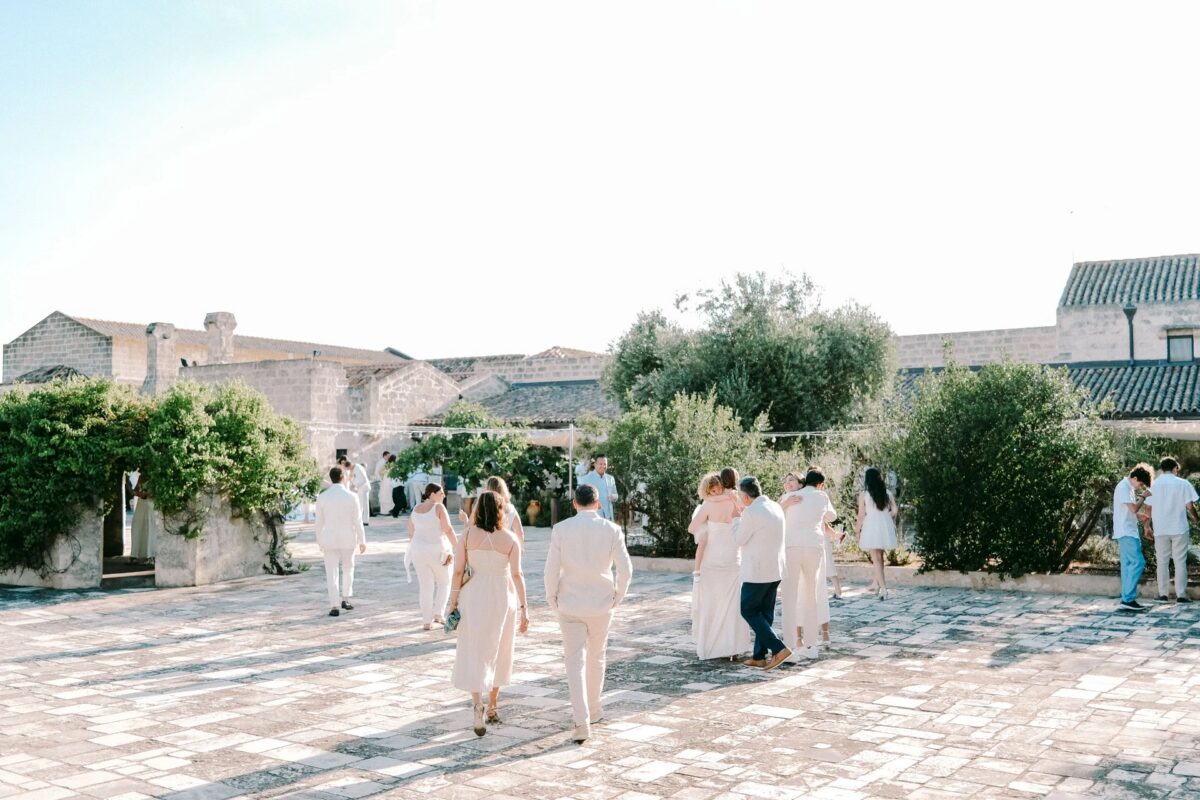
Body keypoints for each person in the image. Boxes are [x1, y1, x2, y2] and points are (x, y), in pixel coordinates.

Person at [545, 483, 633, 743]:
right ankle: (593, 709)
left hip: (570, 603)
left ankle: (582, 719)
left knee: (574, 662)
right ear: (598, 503)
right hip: (601, 603)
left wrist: (552, 598)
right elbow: (626, 569)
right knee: (597, 657)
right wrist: (618, 595)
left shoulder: (561, 529)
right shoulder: (612, 529)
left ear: (575, 504)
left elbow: (551, 569)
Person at [449, 491, 529, 736]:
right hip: (502, 597)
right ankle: (493, 705)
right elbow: (517, 575)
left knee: (474, 648)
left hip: (473, 596)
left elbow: (458, 571)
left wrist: (453, 602)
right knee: (500, 649)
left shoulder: (467, 535)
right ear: (500, 510)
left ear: (478, 509)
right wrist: (525, 608)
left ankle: (477, 705)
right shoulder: (510, 539)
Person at [687, 473, 751, 660]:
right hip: (731, 556)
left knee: (712, 603)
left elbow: (692, 527)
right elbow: (745, 518)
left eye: (716, 490)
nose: (715, 493)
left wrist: (706, 527)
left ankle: (713, 647)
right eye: (711, 491)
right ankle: (732, 647)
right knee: (732, 604)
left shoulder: (708, 505)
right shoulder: (734, 500)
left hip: (713, 558)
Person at [731, 476, 790, 669]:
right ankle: (759, 656)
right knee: (765, 613)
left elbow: (739, 539)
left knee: (747, 609)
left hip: (757, 570)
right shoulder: (775, 506)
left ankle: (779, 648)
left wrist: (735, 520)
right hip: (776, 568)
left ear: (746, 497)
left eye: (740, 496)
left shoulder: (750, 512)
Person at [779, 470, 834, 660]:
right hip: (813, 546)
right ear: (820, 484)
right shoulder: (822, 496)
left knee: (789, 597)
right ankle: (811, 646)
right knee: (811, 595)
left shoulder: (790, 496)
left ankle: (790, 646)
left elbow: (777, 515)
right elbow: (831, 517)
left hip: (791, 546)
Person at [315, 466, 367, 617]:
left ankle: (334, 605)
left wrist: (319, 540)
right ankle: (346, 598)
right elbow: (357, 521)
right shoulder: (352, 496)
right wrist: (362, 540)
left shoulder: (323, 497)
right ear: (343, 477)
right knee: (348, 568)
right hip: (347, 537)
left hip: (329, 538)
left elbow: (319, 522)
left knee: (332, 572)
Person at [1145, 457, 1198, 603]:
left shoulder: (1153, 485)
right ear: (1175, 468)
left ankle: (1163, 594)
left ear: (1162, 469)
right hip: (1179, 528)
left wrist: (1146, 525)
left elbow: (1148, 508)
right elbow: (1190, 506)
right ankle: (1181, 595)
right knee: (1180, 561)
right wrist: (1197, 519)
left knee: (1162, 561)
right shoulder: (1183, 484)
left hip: (1161, 529)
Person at [408, 483, 458, 629]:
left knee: (425, 586)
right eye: (441, 493)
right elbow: (448, 529)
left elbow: (410, 531)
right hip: (437, 551)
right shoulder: (439, 508)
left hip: (418, 551)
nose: (443, 495)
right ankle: (438, 613)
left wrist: (418, 544)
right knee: (444, 582)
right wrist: (457, 546)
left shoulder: (416, 508)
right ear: (432, 493)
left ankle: (426, 621)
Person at [1113, 463, 1153, 612]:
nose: (1140, 486)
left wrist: (1138, 515)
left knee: (1128, 566)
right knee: (1138, 562)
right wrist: (1143, 496)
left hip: (1126, 530)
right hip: (1126, 532)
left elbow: (1129, 510)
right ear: (1135, 477)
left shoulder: (1126, 487)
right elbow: (1134, 507)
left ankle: (1126, 599)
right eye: (1141, 483)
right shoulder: (1124, 487)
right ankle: (1128, 599)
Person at [857, 467, 898, 600]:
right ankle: (878, 585)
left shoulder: (864, 494)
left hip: (871, 525)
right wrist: (885, 517)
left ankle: (884, 589)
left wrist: (857, 530)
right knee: (880, 557)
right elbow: (895, 510)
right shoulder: (887, 493)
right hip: (883, 525)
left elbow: (861, 515)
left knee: (876, 559)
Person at [579, 454, 619, 521]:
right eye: (600, 464)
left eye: (605, 464)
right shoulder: (587, 479)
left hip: (608, 517)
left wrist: (613, 496)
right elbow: (582, 499)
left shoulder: (610, 478)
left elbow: (616, 495)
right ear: (595, 464)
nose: (603, 466)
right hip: (593, 518)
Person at [129, 473, 156, 560]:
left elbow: (150, 494)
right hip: (141, 504)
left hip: (149, 504)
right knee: (137, 526)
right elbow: (136, 489)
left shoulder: (154, 477)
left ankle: (150, 554)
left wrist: (140, 493)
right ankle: (136, 554)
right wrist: (130, 487)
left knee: (148, 528)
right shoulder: (142, 476)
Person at [375, 451, 393, 517]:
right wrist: (381, 480)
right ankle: (384, 511)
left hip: (387, 481)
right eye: (388, 456)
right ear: (384, 456)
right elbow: (377, 472)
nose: (389, 457)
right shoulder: (380, 462)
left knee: (388, 495)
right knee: (384, 496)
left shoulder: (387, 463)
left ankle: (389, 510)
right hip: (383, 482)